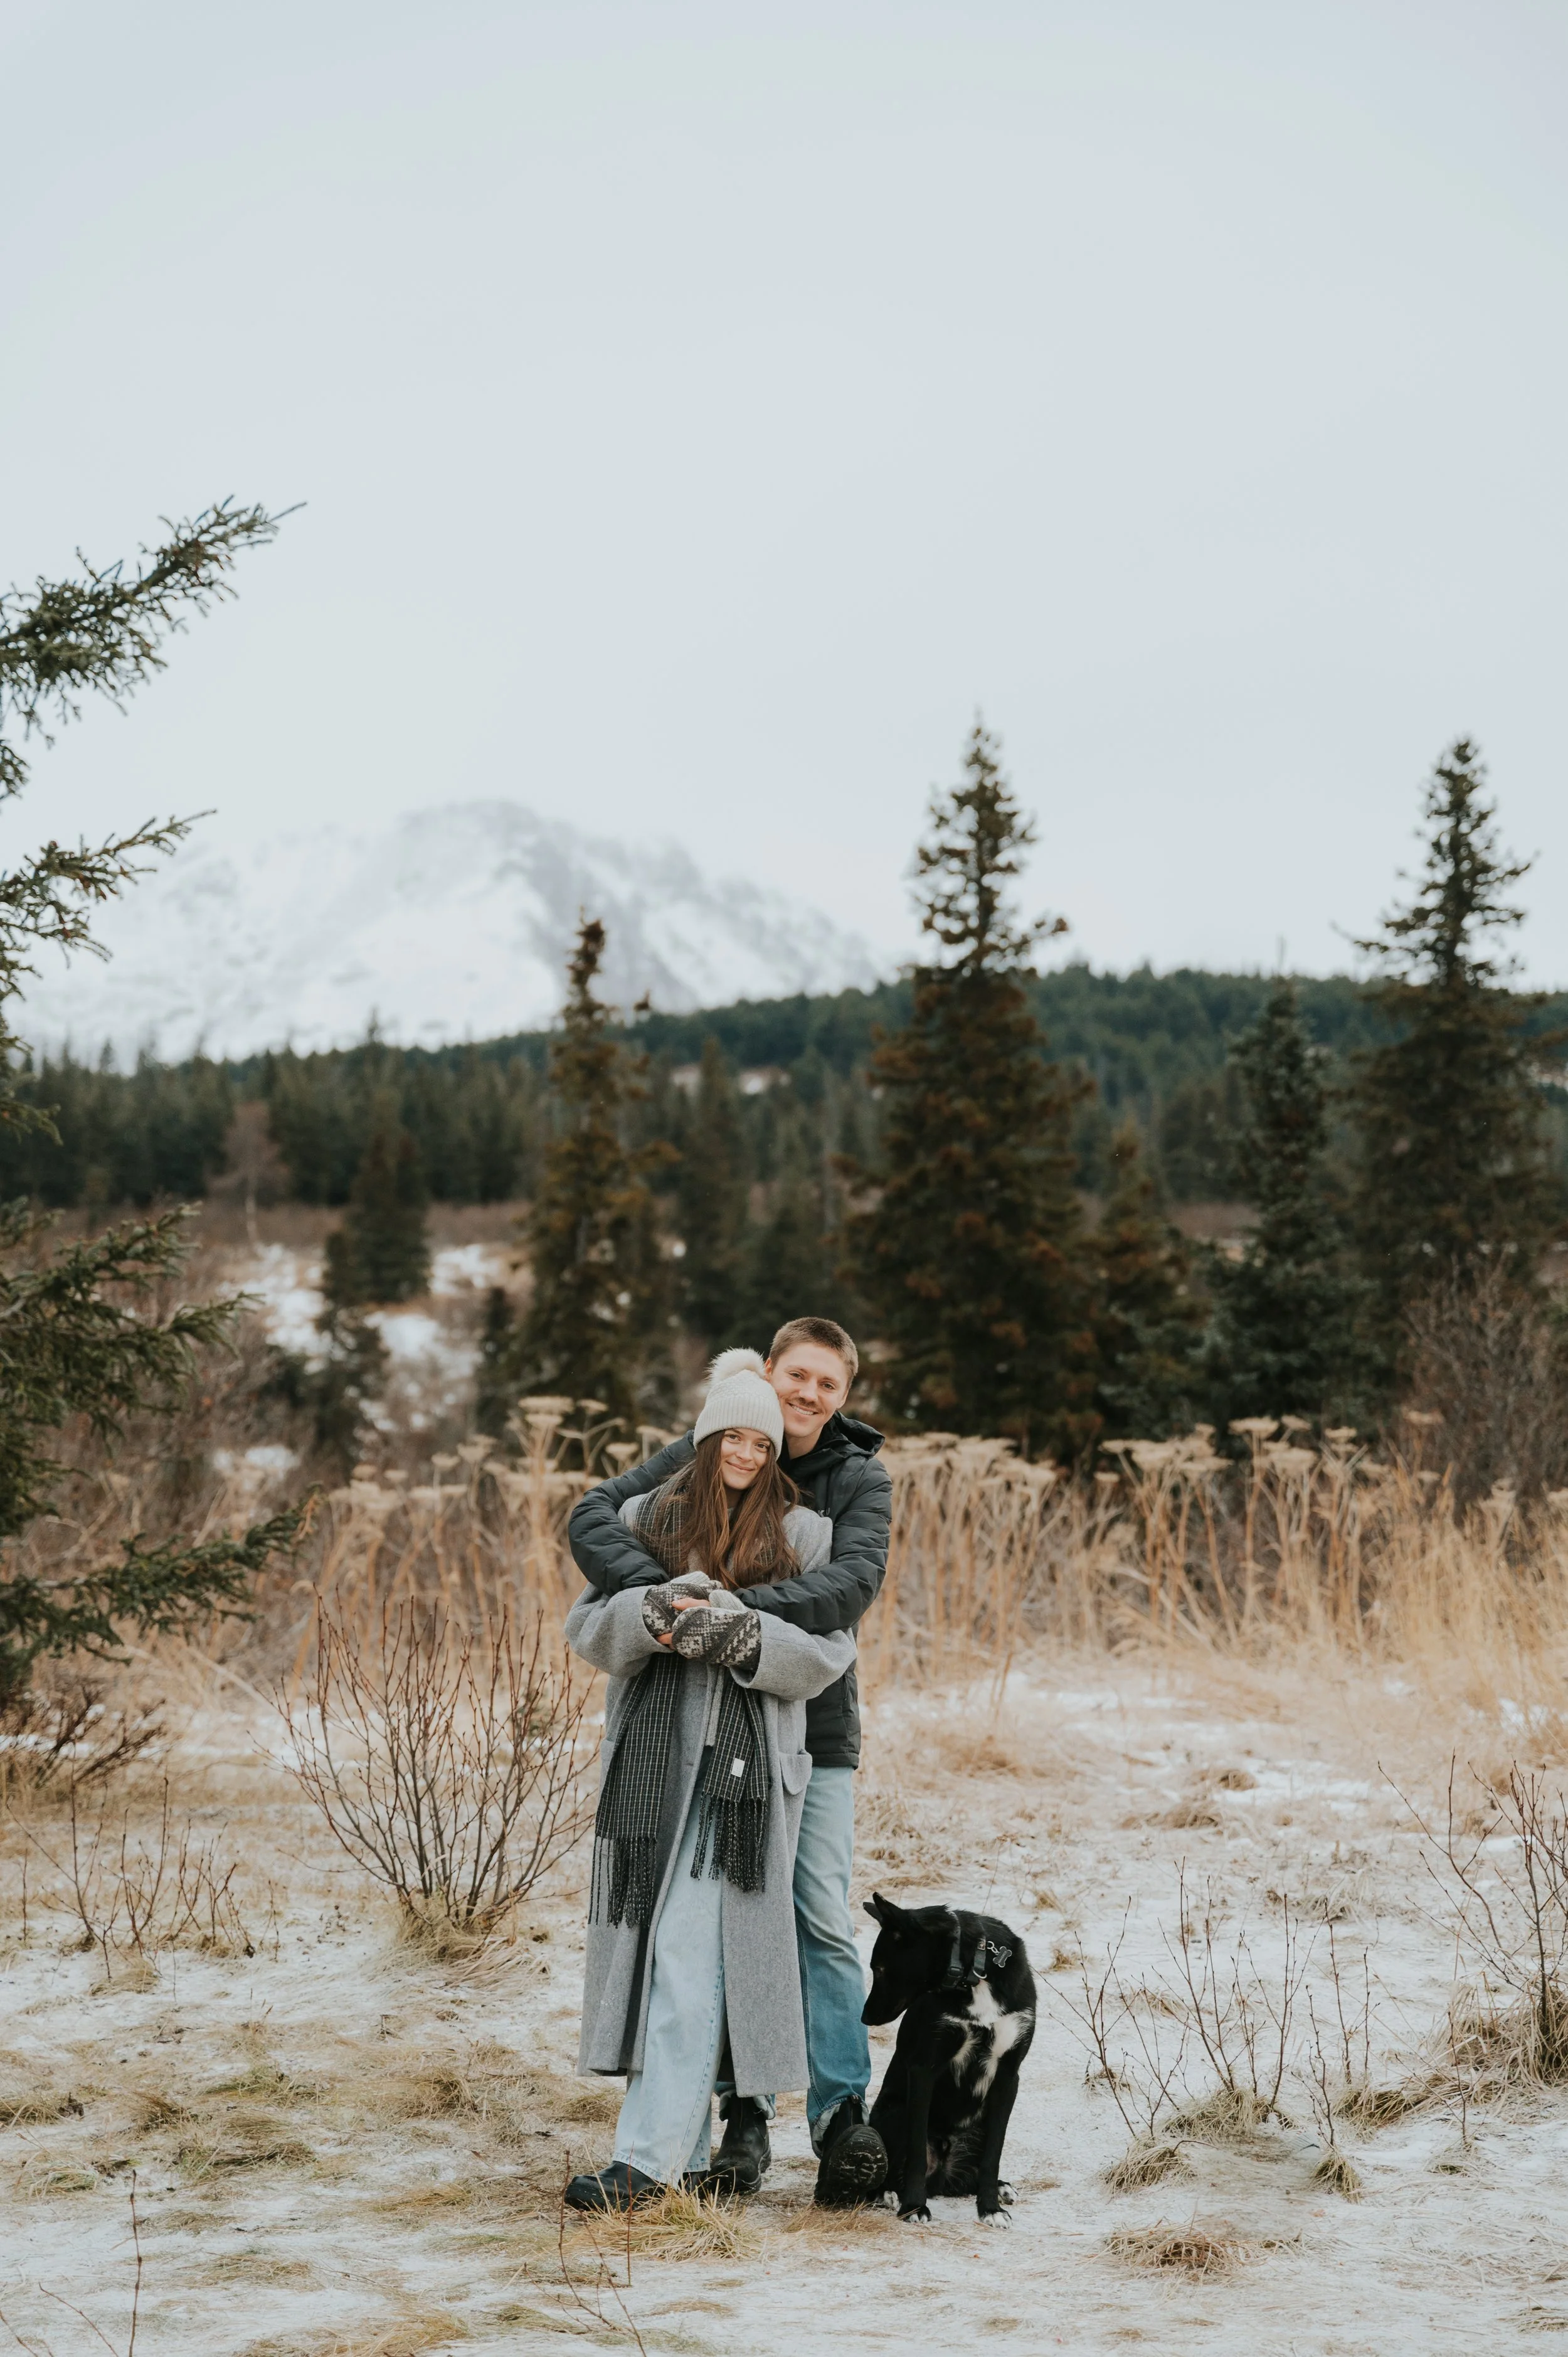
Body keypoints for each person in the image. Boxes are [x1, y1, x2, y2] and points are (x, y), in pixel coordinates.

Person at [568, 1319, 892, 2206]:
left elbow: (833, 1645)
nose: (752, 1447)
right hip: (652, 1772)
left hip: (754, 1773)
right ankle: (704, 2136)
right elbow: (587, 1620)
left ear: (841, 1396)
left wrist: (739, 1628)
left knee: (741, 1939)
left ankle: (698, 2149)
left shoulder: (816, 1525)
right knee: (668, 1953)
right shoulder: (654, 1517)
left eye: (765, 1438)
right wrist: (653, 1612)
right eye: (736, 1433)